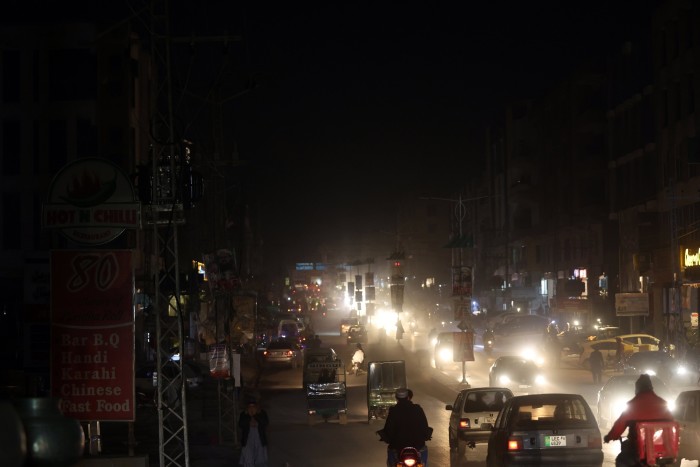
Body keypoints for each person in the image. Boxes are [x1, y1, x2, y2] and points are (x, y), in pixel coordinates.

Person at [603, 374, 675, 467]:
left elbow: (620, 425)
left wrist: (610, 436)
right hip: (659, 448)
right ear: (651, 388)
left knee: (621, 461)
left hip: (636, 447)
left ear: (637, 388)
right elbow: (671, 423)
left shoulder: (632, 405)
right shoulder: (663, 404)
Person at [381, 387, 431, 467]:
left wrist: (386, 436)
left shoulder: (394, 411)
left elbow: (389, 428)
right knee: (423, 456)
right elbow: (424, 426)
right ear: (408, 397)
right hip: (418, 444)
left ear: (397, 398)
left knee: (391, 454)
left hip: (397, 445)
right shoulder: (417, 409)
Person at [238, 399, 269, 467]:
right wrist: (249, 416)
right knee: (248, 460)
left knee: (261, 461)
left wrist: (255, 415)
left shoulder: (262, 413)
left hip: (259, 440)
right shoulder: (244, 414)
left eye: (253, 406)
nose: (251, 408)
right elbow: (241, 424)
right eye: (250, 406)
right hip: (248, 441)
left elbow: (265, 422)